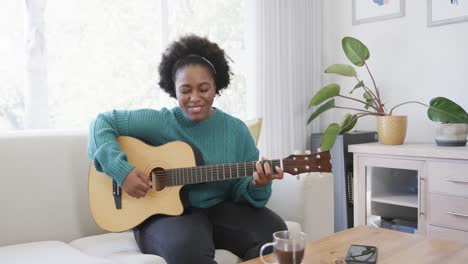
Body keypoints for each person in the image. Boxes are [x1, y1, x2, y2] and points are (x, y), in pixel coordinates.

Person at [87, 34, 287, 264]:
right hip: (162, 215)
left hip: (218, 211)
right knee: (189, 249)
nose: (195, 98)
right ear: (173, 90)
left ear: (216, 86)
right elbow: (100, 123)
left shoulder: (236, 131)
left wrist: (257, 184)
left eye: (204, 89)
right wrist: (122, 171)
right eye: (185, 90)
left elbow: (243, 191)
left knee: (275, 234)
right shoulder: (160, 122)